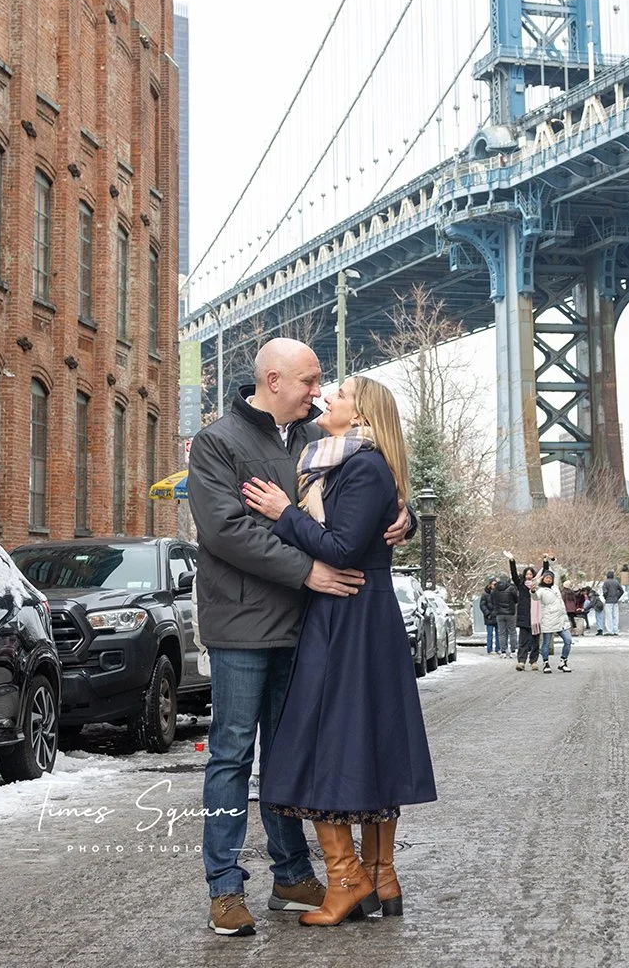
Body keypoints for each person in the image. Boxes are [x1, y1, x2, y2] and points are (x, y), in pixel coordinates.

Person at [189, 338, 411, 937]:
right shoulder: (218, 442)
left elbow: (362, 492)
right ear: (272, 378)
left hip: (312, 622)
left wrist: (401, 516)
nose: (320, 392)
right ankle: (226, 887)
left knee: (295, 753)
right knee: (233, 752)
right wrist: (306, 569)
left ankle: (291, 874)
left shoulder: (319, 439)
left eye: (322, 385)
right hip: (244, 621)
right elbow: (226, 531)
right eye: (310, 381)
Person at [244, 374, 437, 927]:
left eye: (342, 394)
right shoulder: (333, 459)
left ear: (363, 417)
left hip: (348, 613)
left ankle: (349, 879)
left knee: (326, 745)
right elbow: (362, 523)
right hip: (353, 615)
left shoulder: (360, 464)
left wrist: (284, 512)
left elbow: (344, 548)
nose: (327, 395)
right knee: (363, 741)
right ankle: (378, 877)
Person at [506, 553, 547, 671]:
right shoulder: (521, 585)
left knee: (535, 641)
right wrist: (512, 561)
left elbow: (545, 573)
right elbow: (514, 575)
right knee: (523, 641)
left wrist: (545, 560)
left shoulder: (538, 585)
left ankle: (533, 661)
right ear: (524, 575)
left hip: (536, 618)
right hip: (524, 615)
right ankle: (521, 661)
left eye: (531, 574)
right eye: (527, 574)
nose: (529, 576)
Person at [529, 564, 572, 673]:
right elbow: (535, 597)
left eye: (550, 578)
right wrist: (532, 591)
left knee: (568, 640)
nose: (548, 580)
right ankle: (546, 663)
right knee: (546, 643)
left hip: (561, 619)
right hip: (548, 619)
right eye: (546, 578)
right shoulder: (541, 590)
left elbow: (558, 570)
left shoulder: (556, 587)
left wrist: (552, 560)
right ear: (543, 579)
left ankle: (563, 661)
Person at [491, 572, 519, 657]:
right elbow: (516, 599)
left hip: (499, 613)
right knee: (512, 632)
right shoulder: (511, 588)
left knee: (501, 633)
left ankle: (503, 651)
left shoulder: (495, 589)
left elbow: (492, 600)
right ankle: (513, 650)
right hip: (510, 613)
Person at [601, 569, 625, 636]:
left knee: (609, 616)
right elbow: (622, 591)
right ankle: (615, 630)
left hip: (608, 601)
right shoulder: (616, 582)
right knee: (615, 616)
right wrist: (617, 597)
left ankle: (610, 630)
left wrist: (606, 597)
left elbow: (605, 592)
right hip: (615, 601)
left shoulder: (606, 583)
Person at [479, 581, 498, 654]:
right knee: (490, 634)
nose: (495, 586)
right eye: (493, 584)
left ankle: (498, 648)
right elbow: (482, 605)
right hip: (489, 617)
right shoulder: (485, 594)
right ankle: (489, 649)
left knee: (498, 634)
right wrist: (487, 614)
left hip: (497, 616)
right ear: (490, 585)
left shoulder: (499, 593)